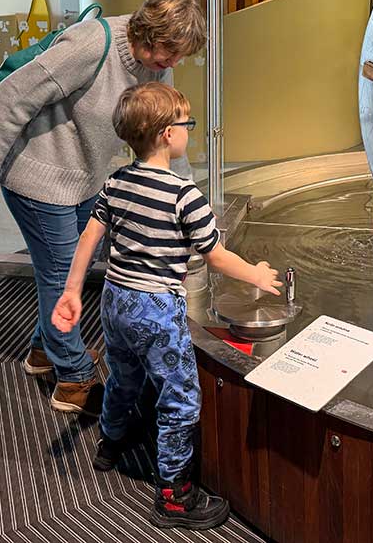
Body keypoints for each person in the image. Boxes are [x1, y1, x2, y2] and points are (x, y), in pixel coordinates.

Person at [0, 0, 206, 416]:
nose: (173, 64)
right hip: (38, 176)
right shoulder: (92, 44)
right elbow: (10, 96)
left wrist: (183, 195)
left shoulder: (151, 66)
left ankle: (43, 354)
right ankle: (72, 379)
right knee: (60, 276)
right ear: (150, 34)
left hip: (83, 179)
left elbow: (159, 130)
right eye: (171, 52)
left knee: (65, 269)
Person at [52, 82, 281, 530]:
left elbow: (90, 237)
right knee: (180, 400)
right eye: (185, 123)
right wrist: (255, 273)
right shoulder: (183, 195)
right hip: (157, 307)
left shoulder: (116, 181)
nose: (188, 130)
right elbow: (214, 255)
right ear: (165, 135)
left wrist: (72, 290)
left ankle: (111, 442)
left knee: (122, 374)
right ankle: (175, 495)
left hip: (115, 300)